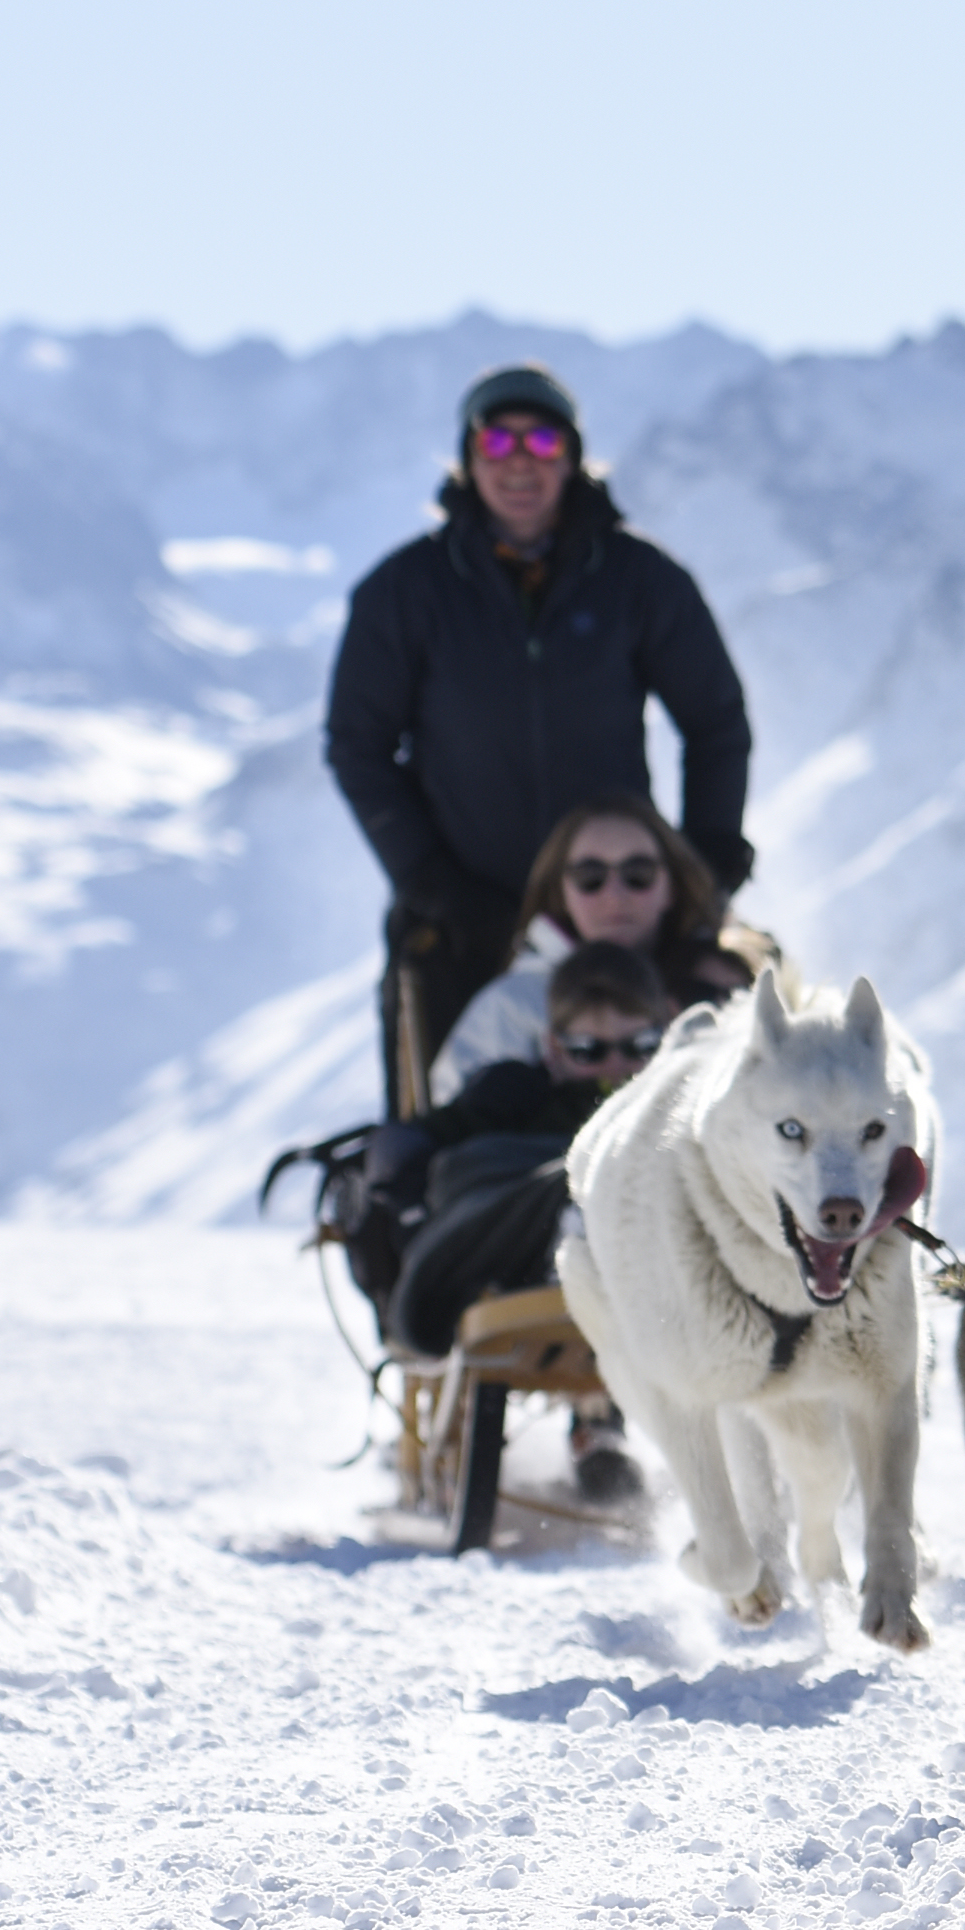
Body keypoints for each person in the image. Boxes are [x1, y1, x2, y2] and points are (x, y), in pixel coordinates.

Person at [325, 364, 756, 1112]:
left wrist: (704, 864)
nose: (519, 460)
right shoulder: (406, 591)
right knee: (449, 1134)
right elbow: (357, 744)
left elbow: (715, 723)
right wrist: (430, 882)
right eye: (497, 440)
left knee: (675, 1117)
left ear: (572, 455)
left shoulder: (639, 579)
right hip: (463, 924)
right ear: (468, 458)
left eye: (542, 439)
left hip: (619, 911)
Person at [393, 938, 673, 1496]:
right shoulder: (514, 1095)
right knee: (567, 1178)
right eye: (589, 1050)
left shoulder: (676, 1108)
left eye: (635, 1047)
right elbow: (449, 1149)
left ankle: (599, 1431)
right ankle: (570, 1228)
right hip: (522, 1246)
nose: (614, 1067)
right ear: (553, 1047)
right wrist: (401, 1146)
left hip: (645, 1263)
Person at [427, 793, 757, 1103]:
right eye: (590, 877)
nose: (614, 894)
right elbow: (454, 1134)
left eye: (638, 874)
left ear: (671, 884)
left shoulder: (721, 984)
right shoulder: (512, 1009)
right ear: (562, 891)